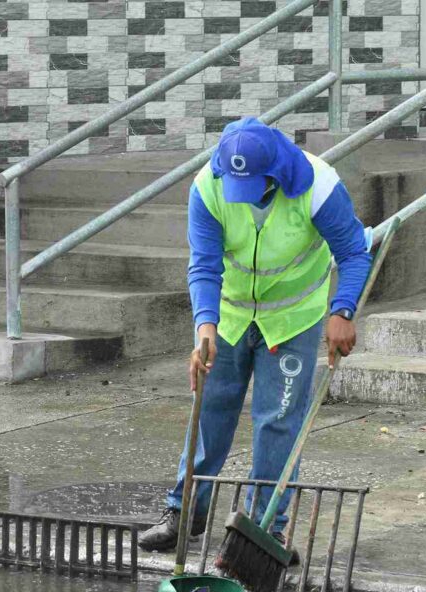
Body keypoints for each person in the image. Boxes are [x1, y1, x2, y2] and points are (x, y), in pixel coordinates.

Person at [138, 117, 373, 552]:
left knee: (278, 422)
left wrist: (343, 310)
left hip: (291, 318)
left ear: (276, 174)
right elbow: (204, 265)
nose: (242, 198)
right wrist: (203, 328)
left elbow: (355, 253)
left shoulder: (318, 187)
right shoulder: (208, 187)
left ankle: (265, 526)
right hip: (228, 316)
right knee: (209, 410)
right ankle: (185, 511)